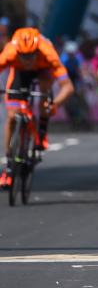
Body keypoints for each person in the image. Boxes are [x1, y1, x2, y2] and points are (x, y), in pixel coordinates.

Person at [0, 28, 74, 187]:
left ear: (36, 51)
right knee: (12, 116)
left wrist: (54, 104)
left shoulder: (48, 53)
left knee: (45, 93)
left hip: (43, 69)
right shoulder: (10, 52)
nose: (27, 59)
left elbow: (68, 87)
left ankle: (42, 130)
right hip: (19, 73)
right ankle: (8, 165)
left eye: (30, 55)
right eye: (23, 55)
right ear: (17, 51)